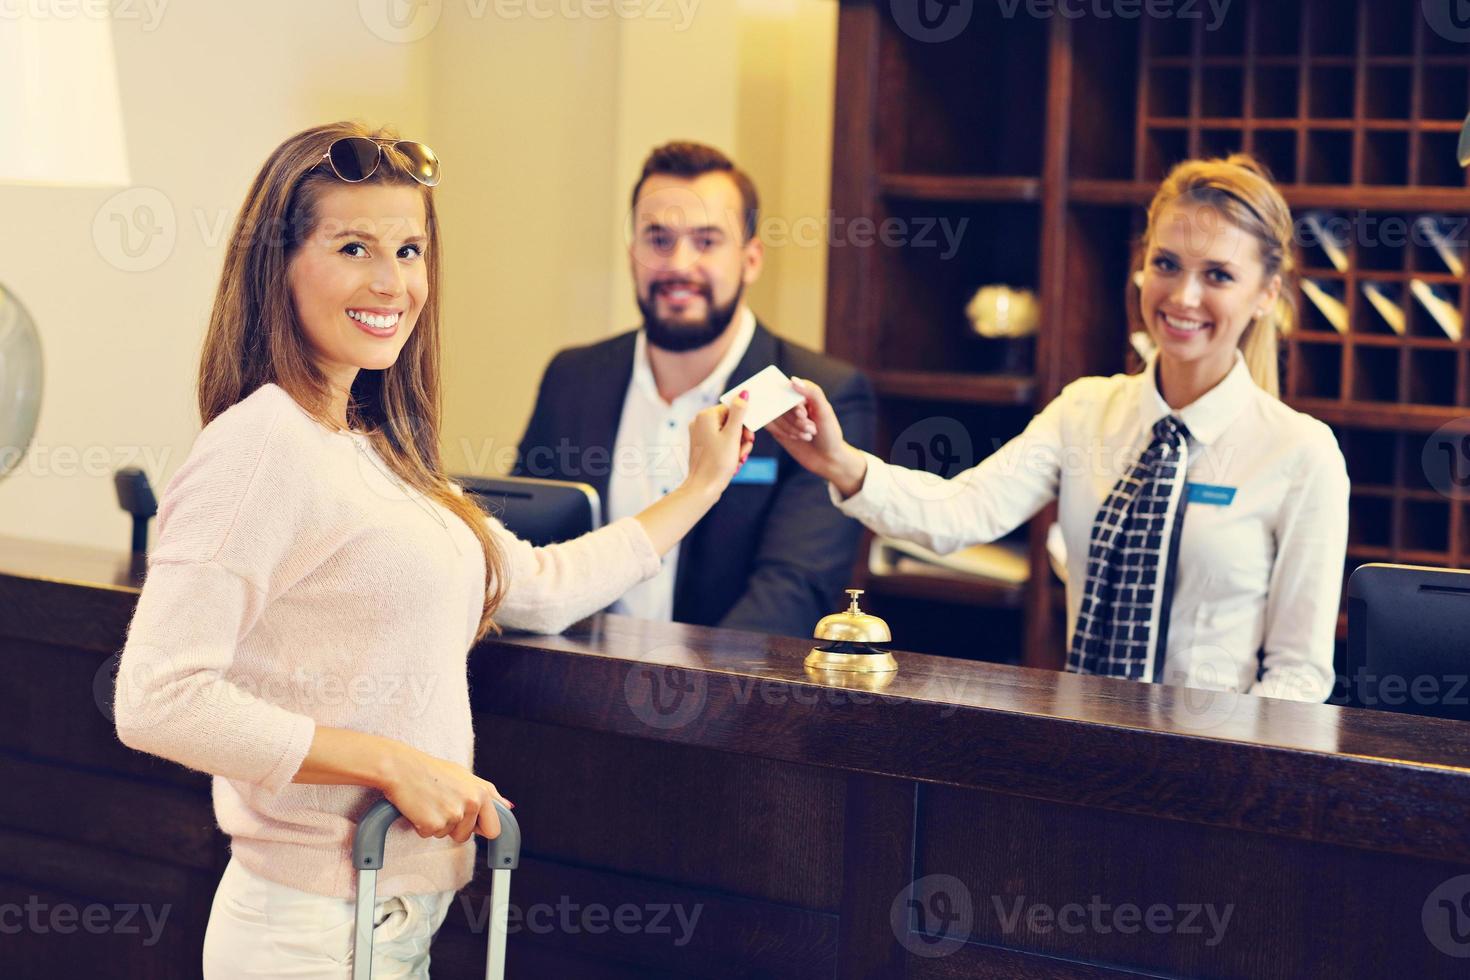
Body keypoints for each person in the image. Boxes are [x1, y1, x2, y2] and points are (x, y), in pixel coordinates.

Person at [112, 122, 752, 979]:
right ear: (279, 264)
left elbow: (544, 584)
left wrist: (699, 488)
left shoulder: (374, 450)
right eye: (354, 247)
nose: (392, 282)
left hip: (391, 922)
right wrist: (392, 763)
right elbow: (157, 697)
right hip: (308, 933)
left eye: (410, 249)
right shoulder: (260, 445)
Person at [769, 154, 1349, 703]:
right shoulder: (1085, 411)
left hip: (1215, 776)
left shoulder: (1301, 453)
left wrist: (1227, 779)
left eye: (1218, 275)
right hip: (1084, 751)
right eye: (1166, 264)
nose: (1183, 296)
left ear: (1266, 294)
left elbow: (1298, 676)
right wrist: (839, 462)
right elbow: (961, 512)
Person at [514, 141, 875, 638]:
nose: (679, 265)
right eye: (658, 239)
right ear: (632, 253)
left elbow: (794, 589)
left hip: (725, 702)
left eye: (706, 242)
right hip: (568, 685)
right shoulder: (572, 377)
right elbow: (528, 545)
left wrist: (681, 701)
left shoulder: (817, 393)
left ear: (750, 259)